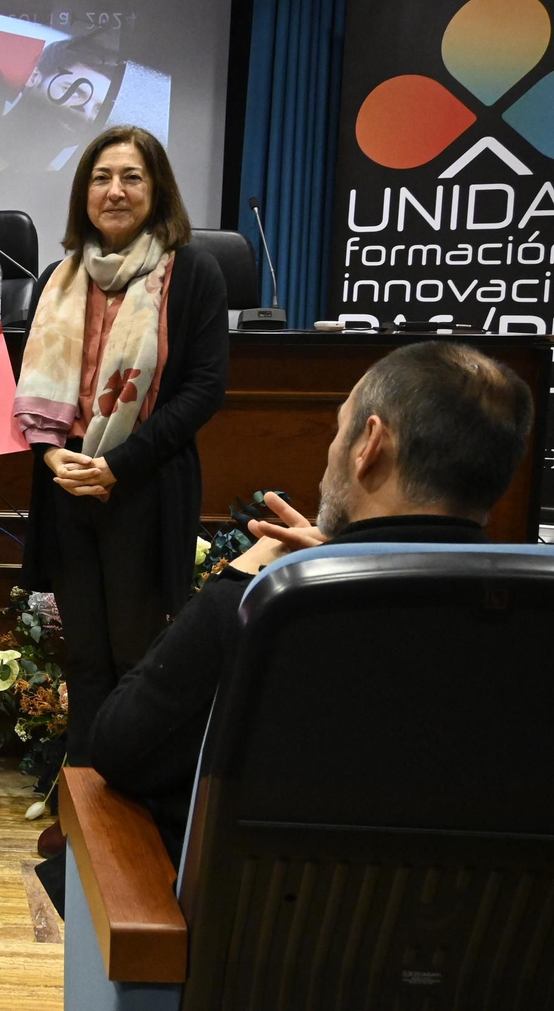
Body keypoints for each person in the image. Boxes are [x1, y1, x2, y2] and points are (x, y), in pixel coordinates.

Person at [91, 341, 535, 866]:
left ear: (370, 444)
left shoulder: (273, 607)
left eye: (338, 429)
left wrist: (248, 572)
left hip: (260, 938)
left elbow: (121, 749)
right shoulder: (536, 614)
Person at [12, 124, 228, 857]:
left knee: (138, 658)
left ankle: (126, 821)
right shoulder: (58, 279)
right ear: (84, 192)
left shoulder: (191, 274)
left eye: (132, 177)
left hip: (143, 489)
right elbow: (36, 395)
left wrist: (118, 466)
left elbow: (203, 391)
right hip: (68, 490)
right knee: (86, 660)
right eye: (102, 177)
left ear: (156, 189)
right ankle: (82, 811)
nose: (115, 190)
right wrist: (54, 461)